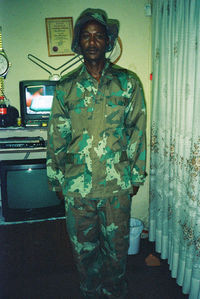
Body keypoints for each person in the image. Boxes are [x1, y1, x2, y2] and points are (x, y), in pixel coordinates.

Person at [47, 8, 147, 299]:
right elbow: (57, 138)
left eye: (98, 36)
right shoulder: (66, 88)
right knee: (84, 252)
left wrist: (136, 175)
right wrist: (56, 181)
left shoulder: (127, 83)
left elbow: (137, 131)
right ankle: (90, 292)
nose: (92, 41)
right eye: (86, 36)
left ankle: (115, 292)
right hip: (77, 187)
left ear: (108, 41)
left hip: (116, 186)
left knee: (116, 251)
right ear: (79, 42)